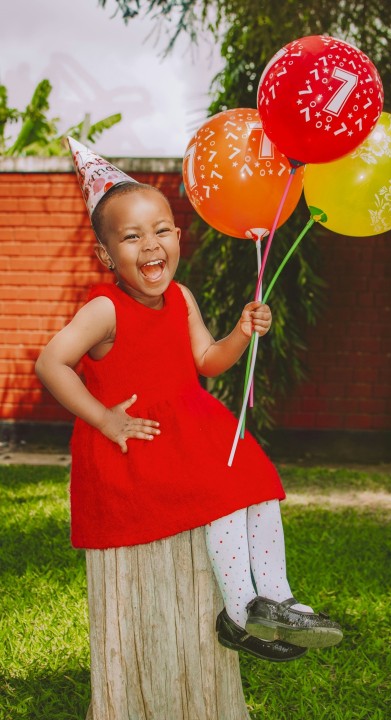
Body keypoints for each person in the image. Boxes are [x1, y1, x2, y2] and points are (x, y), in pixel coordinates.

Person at [35, 138, 343, 663]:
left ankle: (276, 595)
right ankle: (241, 613)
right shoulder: (105, 309)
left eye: (159, 231)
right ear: (107, 254)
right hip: (140, 439)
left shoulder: (181, 298)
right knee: (220, 491)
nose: (149, 246)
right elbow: (50, 364)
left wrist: (243, 332)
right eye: (131, 238)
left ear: (178, 237)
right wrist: (106, 420)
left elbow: (207, 360)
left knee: (258, 483)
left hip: (193, 425)